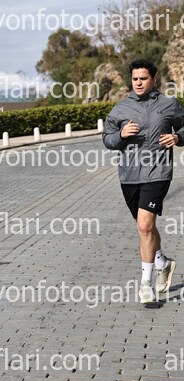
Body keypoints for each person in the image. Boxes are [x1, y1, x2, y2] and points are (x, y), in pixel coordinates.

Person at [103, 59, 184, 304]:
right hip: (129, 176)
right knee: (144, 228)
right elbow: (107, 139)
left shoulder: (169, 104)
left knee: (145, 225)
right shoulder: (121, 108)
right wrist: (120, 135)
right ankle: (162, 262)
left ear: (154, 79)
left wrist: (177, 137)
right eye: (135, 79)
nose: (138, 83)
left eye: (143, 78)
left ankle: (146, 284)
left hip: (158, 172)